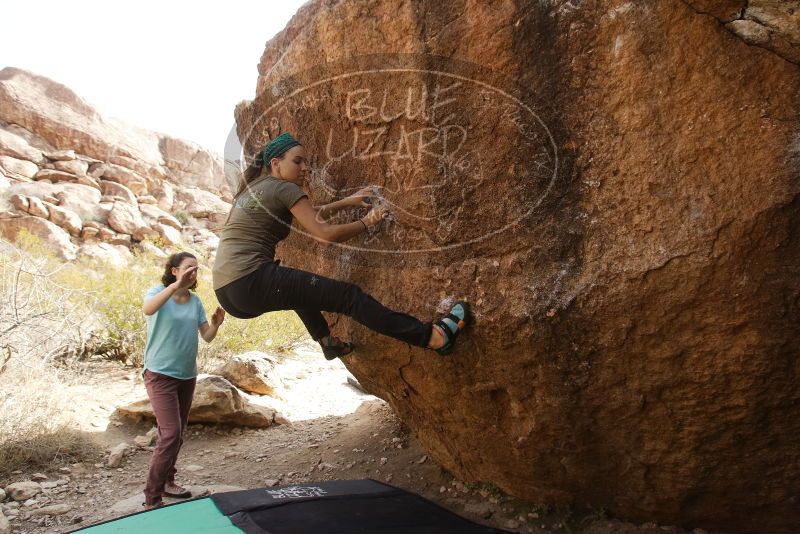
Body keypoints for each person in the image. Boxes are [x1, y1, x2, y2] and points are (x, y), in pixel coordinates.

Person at [212, 132, 469, 360]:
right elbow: (324, 233)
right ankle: (433, 337)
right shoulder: (283, 188)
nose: (305, 168)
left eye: (306, 162)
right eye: (297, 161)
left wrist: (348, 202)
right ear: (276, 163)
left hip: (228, 292)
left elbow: (309, 214)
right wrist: (367, 223)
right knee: (349, 297)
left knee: (297, 289)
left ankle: (327, 342)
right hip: (251, 280)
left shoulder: (256, 187)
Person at [141, 252, 225, 510]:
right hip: (160, 374)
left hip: (187, 375)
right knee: (171, 433)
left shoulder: (195, 300)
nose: (192, 273)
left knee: (177, 434)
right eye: (188, 268)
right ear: (174, 270)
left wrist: (215, 324)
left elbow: (207, 337)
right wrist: (174, 287)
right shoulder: (158, 292)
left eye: (196, 269)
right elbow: (148, 309)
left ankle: (168, 482)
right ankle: (152, 497)